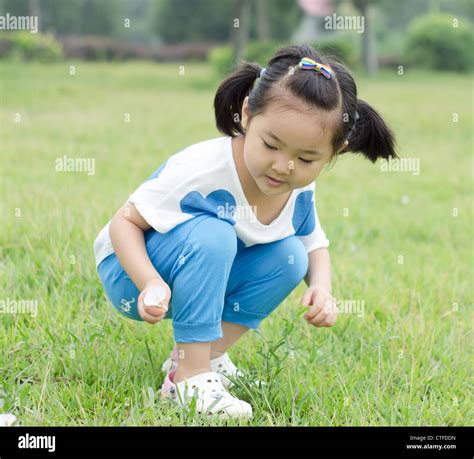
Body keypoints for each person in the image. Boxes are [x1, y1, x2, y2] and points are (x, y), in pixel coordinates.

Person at [93, 44, 397, 420]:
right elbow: (124, 223)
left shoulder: (298, 187)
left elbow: (312, 243)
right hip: (131, 272)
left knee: (290, 257)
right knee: (215, 233)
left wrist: (322, 287)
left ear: (337, 150)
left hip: (199, 271)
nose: (284, 166)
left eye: (306, 159)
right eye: (271, 145)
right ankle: (189, 379)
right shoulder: (202, 169)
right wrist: (150, 281)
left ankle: (202, 357)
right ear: (248, 114)